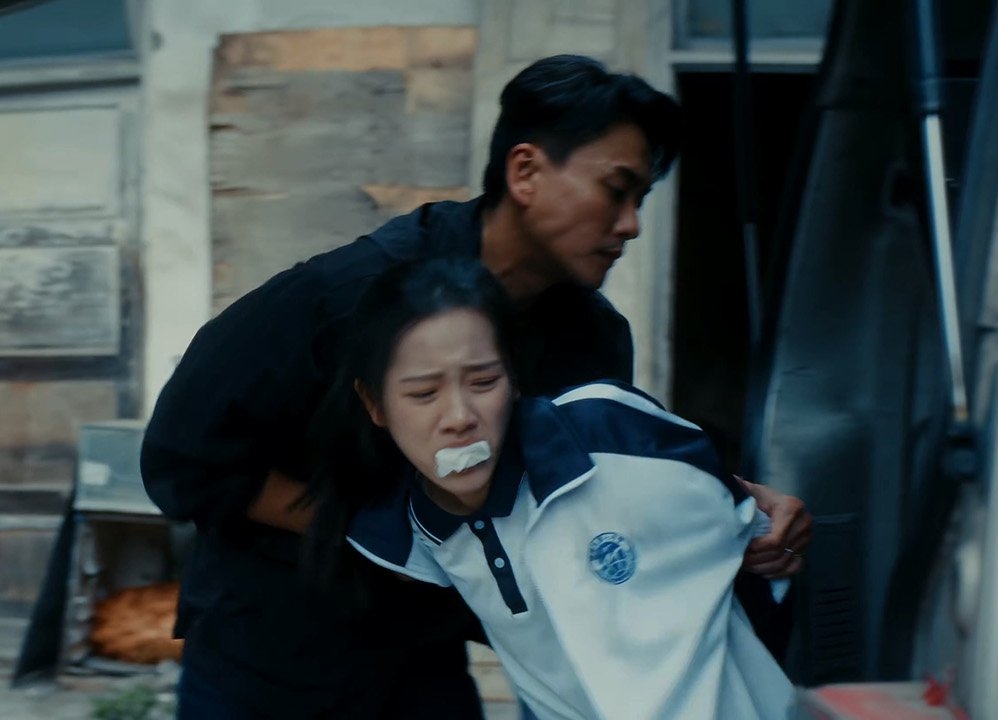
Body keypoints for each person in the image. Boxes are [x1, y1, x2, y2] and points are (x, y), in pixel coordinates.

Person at [141, 54, 812, 719]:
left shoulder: (592, 340)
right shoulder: (346, 296)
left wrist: (735, 505)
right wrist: (393, 537)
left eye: (641, 200)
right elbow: (182, 455)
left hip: (425, 655)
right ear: (525, 171)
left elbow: (596, 487)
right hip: (268, 656)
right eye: (616, 190)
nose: (631, 224)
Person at [303, 257, 796, 720]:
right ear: (375, 404)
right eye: (424, 393)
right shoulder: (406, 542)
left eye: (483, 382)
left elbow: (761, 541)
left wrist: (773, 528)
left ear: (515, 377)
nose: (459, 417)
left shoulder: (613, 436)